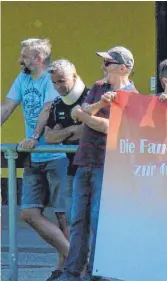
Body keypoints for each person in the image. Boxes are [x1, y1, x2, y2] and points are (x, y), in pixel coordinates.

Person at [57, 46, 138, 281]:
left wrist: (86, 117)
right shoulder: (99, 88)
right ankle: (72, 272)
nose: (103, 67)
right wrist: (99, 106)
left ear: (123, 68)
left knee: (98, 220)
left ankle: (94, 273)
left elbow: (111, 128)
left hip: (108, 165)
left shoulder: (132, 95)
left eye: (108, 63)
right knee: (78, 219)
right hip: (84, 161)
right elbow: (77, 112)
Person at [0, 38, 70, 281]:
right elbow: (7, 107)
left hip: (56, 153)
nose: (21, 59)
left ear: (38, 58)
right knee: (28, 213)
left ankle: (65, 269)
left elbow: (47, 110)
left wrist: (33, 136)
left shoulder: (51, 78)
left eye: (25, 55)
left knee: (63, 215)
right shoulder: (23, 79)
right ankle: (75, 258)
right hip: (34, 156)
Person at [45, 59, 90, 224]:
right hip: (72, 170)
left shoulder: (91, 97)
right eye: (54, 82)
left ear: (74, 76)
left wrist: (63, 132)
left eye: (62, 81)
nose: (58, 86)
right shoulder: (57, 104)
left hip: (94, 168)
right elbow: (49, 137)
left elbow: (87, 131)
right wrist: (72, 130)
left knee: (93, 219)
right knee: (74, 220)